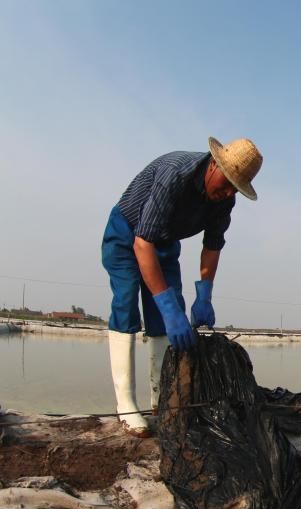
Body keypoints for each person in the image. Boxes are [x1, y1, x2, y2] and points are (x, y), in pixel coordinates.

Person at [101, 137, 263, 437]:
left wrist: (205, 294)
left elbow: (212, 246)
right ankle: (125, 404)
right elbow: (142, 243)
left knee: (165, 314)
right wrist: (169, 309)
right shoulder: (175, 175)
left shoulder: (225, 199)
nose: (228, 192)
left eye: (235, 189)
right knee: (126, 303)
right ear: (214, 164)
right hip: (128, 233)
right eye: (226, 183)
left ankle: (160, 398)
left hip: (163, 241)